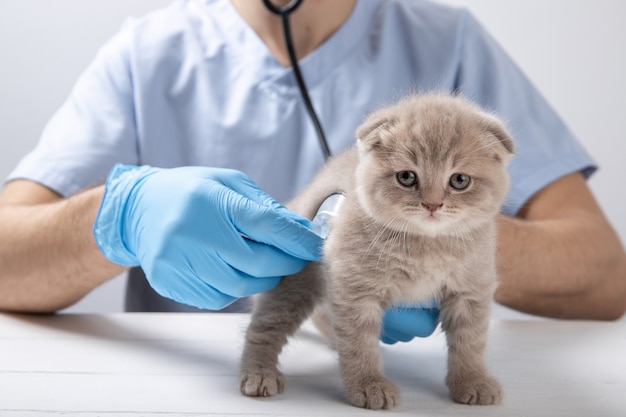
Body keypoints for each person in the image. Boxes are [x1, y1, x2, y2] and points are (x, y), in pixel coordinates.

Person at [0, 0, 624, 341]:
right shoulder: (146, 54)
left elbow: (602, 275)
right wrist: (124, 214)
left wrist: (429, 241)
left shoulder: (448, 40)